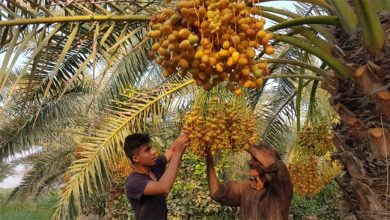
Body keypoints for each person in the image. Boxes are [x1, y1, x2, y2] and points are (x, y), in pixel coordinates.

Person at [206, 142, 293, 220]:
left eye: (255, 159)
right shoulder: (245, 188)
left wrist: (237, 138)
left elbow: (274, 164)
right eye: (252, 158)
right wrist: (209, 157)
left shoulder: (282, 189)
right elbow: (216, 192)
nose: (250, 163)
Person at [124, 132, 188, 220]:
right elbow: (164, 187)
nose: (153, 152)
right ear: (136, 158)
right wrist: (178, 152)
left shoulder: (155, 166)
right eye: (147, 150)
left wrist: (185, 133)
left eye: (151, 148)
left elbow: (172, 150)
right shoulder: (133, 182)